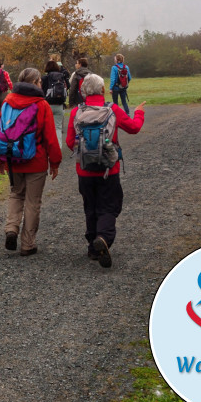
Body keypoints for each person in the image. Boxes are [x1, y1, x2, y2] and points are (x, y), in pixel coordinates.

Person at [66, 73, 146, 268]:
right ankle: (103, 237)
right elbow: (134, 128)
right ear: (102, 90)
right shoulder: (113, 109)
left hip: (84, 171)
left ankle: (93, 249)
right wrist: (139, 112)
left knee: (90, 207)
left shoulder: (76, 111)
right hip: (109, 169)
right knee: (109, 206)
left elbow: (70, 142)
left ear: (84, 91)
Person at [0, 67, 62, 256]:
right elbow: (50, 138)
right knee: (32, 202)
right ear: (36, 82)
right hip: (36, 160)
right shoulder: (41, 104)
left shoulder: (8, 102)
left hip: (12, 158)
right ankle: (27, 244)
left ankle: (11, 229)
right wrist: (55, 162)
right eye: (39, 81)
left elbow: (0, 131)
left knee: (16, 194)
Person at [41, 60, 70, 145]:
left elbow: (41, 91)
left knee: (47, 128)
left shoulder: (44, 78)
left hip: (47, 105)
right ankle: (58, 148)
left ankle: (48, 148)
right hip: (59, 104)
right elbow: (68, 86)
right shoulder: (62, 77)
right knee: (58, 127)